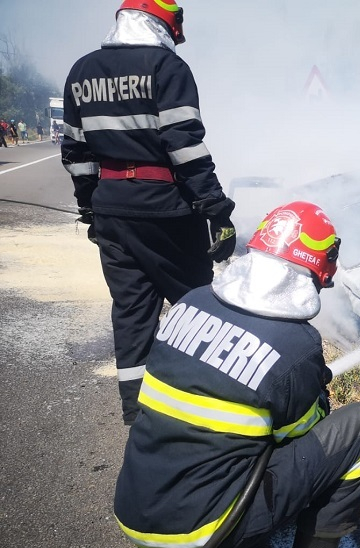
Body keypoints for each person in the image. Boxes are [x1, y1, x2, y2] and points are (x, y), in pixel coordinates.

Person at [101, 202, 360, 548]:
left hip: (136, 509)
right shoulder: (295, 344)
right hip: (212, 531)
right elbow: (301, 436)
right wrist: (309, 390)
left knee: (218, 444)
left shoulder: (190, 302)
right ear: (318, 268)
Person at [61, 0, 236, 426]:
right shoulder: (167, 68)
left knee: (131, 311)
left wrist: (90, 209)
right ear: (161, 24)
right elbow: (185, 145)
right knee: (200, 303)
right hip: (166, 210)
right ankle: (219, 401)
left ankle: (137, 412)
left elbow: (77, 154)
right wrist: (216, 209)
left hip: (112, 212)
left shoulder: (81, 71)